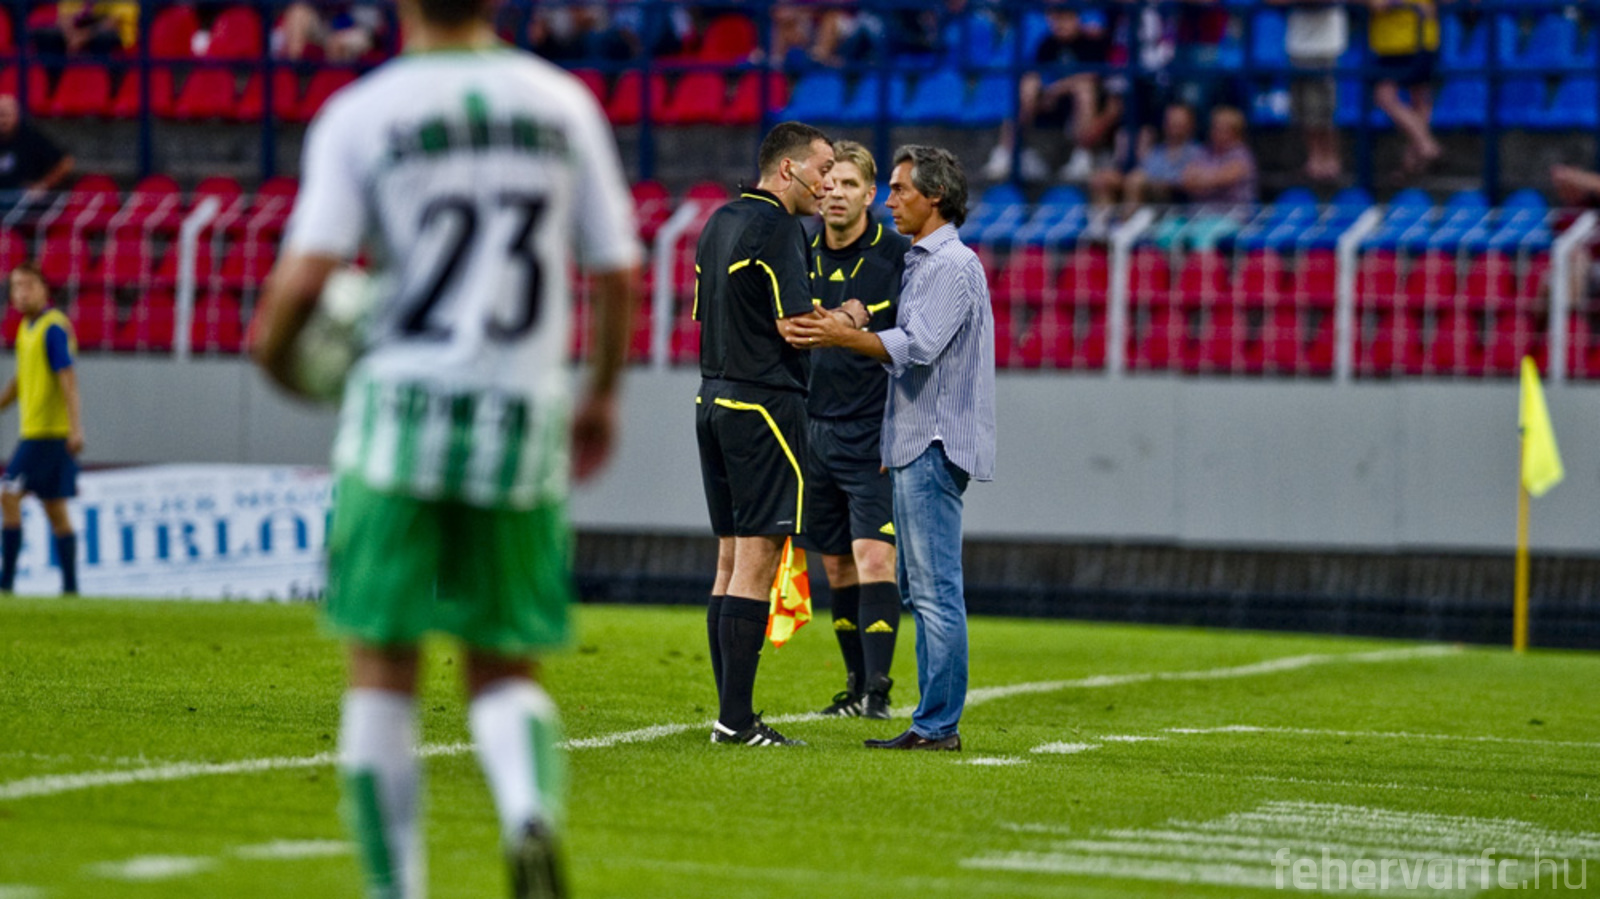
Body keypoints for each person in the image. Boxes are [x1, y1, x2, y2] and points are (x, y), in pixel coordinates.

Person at [249, 0, 641, 896]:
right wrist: (602, 395)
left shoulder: (363, 112)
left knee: (382, 664)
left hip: (398, 422)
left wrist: (278, 362)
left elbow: (304, 281)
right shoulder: (561, 104)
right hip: (520, 422)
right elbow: (616, 269)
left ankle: (398, 888)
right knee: (503, 661)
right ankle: (527, 808)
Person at [786, 146, 996, 752]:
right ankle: (929, 720)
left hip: (933, 441)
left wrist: (843, 335)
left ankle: (937, 725)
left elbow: (918, 346)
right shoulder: (924, 261)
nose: (891, 200)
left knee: (934, 591)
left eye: (900, 189)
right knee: (921, 590)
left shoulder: (950, 264)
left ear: (935, 197)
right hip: (911, 440)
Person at [694, 120, 837, 748]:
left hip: (712, 398)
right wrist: (850, 318)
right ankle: (736, 720)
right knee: (757, 560)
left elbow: (708, 313)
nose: (827, 183)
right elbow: (794, 326)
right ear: (788, 169)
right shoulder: (780, 228)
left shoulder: (718, 220)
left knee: (728, 561)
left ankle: (730, 710)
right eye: (823, 169)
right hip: (764, 406)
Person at [803, 140, 910, 720]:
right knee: (836, 564)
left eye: (850, 185)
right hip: (811, 429)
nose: (836, 194)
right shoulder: (799, 250)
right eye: (830, 183)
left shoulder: (896, 256)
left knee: (873, 558)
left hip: (872, 432)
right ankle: (853, 685)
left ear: (870, 195)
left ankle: (879, 691)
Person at [0, 262, 83, 597]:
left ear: (44, 289)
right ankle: (71, 590)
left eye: (28, 285)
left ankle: (6, 584)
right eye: (16, 287)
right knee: (55, 510)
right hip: (37, 432)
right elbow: (21, 380)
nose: (21, 293)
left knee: (8, 494)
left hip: (47, 434)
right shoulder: (26, 328)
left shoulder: (53, 328)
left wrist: (76, 429)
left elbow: (68, 379)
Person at [980, 5, 1116, 183]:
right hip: (1053, 103)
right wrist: (1044, 93)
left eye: (1065, 18)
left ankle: (1084, 156)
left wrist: (1056, 89)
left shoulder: (1092, 42)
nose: (1060, 24)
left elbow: (1093, 77)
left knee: (1084, 89)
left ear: (1076, 18)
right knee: (1028, 84)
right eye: (1056, 19)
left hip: (1088, 103)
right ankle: (1007, 152)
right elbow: (1039, 75)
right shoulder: (1048, 44)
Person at [1269, 0, 1347, 182]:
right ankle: (1314, 160)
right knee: (1302, 109)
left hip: (1325, 47)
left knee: (1323, 110)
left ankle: (1330, 160)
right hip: (1296, 46)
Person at [1090, 102, 1205, 213]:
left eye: (1179, 122)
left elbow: (1187, 180)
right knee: (1103, 179)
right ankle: (1103, 222)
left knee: (1137, 182)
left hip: (1177, 202)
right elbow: (1142, 171)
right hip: (1148, 192)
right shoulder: (1157, 151)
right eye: (1171, 121)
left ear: (1190, 125)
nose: (1173, 125)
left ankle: (1128, 220)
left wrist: (1157, 181)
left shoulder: (1197, 152)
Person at [1368, 0, 1440, 176]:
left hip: (1421, 39)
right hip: (1388, 42)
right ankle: (1426, 146)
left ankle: (1414, 162)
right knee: (1385, 96)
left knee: (1419, 98)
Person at [0, 95, 74, 201]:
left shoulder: (31, 136)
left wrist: (43, 185)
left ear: (16, 116)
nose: (2, 120)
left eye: (6, 115)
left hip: (24, 200)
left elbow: (66, 163)